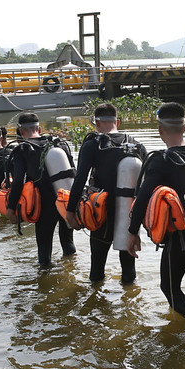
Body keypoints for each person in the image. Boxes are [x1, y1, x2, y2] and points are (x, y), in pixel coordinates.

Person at [126, 102, 185, 320]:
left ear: (160, 130)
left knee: (168, 287)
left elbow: (143, 197)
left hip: (177, 241)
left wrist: (133, 232)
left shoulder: (160, 161)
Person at [65, 103, 147, 283]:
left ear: (96, 123)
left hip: (101, 212)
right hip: (129, 213)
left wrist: (70, 212)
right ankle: (129, 305)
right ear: (117, 121)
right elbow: (146, 185)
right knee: (129, 271)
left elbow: (80, 180)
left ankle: (96, 304)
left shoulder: (93, 144)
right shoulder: (136, 145)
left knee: (97, 270)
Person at [5, 113, 76, 267]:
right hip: (65, 201)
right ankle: (71, 271)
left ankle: (44, 284)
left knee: (44, 251)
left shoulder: (22, 149)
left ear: (21, 131)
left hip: (44, 207)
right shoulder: (60, 144)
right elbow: (73, 172)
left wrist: (11, 208)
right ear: (40, 128)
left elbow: (17, 182)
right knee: (68, 244)